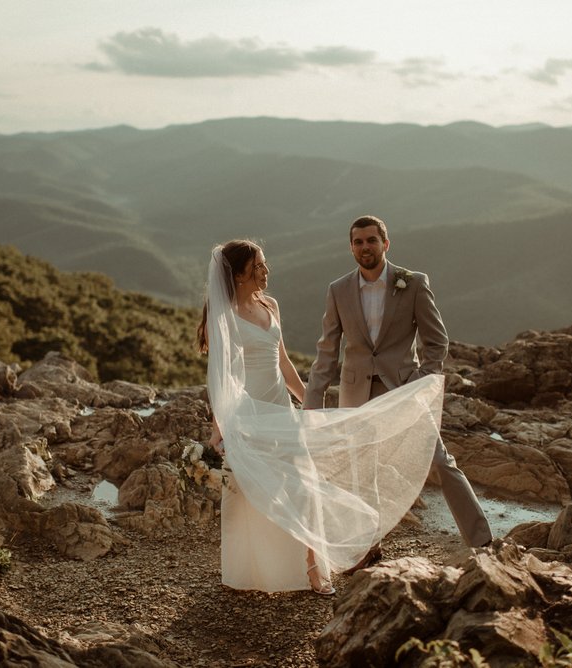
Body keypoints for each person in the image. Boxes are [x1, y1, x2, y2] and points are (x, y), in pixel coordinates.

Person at [199, 239, 446, 595]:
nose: (266, 272)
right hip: (249, 414)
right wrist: (219, 428)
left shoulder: (271, 305)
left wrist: (310, 403)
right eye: (258, 267)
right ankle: (250, 571)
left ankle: (313, 568)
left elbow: (282, 363)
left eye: (265, 263)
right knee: (250, 494)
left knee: (305, 485)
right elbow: (221, 379)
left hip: (281, 407)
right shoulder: (223, 318)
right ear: (238, 275)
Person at [302, 215, 493, 565]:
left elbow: (437, 342)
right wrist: (312, 403)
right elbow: (327, 351)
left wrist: (420, 380)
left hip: (403, 390)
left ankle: (482, 541)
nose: (365, 248)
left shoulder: (413, 283)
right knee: (361, 472)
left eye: (371, 240)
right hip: (356, 394)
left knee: (439, 461)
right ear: (351, 247)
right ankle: (367, 546)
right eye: (358, 242)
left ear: (385, 244)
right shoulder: (338, 290)